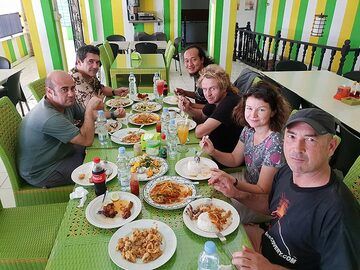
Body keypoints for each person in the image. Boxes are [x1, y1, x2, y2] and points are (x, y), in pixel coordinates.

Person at [212, 108, 360, 269]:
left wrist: (268, 268)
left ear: (331, 147)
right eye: (291, 136)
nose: (297, 148)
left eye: (310, 140)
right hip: (263, 246)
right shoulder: (287, 171)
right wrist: (236, 193)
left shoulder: (339, 214)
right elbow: (271, 207)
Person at [17, 70, 103, 188]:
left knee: (100, 150)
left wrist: (113, 114)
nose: (71, 94)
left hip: (60, 153)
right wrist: (89, 109)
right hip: (44, 171)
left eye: (73, 88)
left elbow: (88, 117)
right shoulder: (49, 117)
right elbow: (87, 140)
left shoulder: (64, 102)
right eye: (64, 89)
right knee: (100, 169)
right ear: (49, 92)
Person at [204, 81, 291, 196]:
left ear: (273, 112)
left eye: (261, 110)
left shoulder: (275, 144)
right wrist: (213, 152)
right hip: (246, 181)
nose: (253, 115)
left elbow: (263, 190)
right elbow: (234, 159)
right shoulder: (249, 130)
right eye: (249, 108)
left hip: (262, 198)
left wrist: (233, 182)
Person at [179, 64, 241, 155]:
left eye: (212, 88)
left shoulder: (230, 102)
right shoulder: (216, 98)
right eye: (204, 89)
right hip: (211, 147)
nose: (208, 94)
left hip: (222, 155)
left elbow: (199, 132)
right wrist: (188, 109)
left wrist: (203, 126)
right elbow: (202, 116)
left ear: (223, 87)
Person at [70, 44, 127, 119]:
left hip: (96, 117)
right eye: (90, 61)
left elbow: (100, 88)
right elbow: (94, 110)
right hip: (82, 124)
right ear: (79, 62)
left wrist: (115, 91)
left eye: (97, 62)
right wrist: (113, 114)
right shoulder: (76, 78)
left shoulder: (88, 72)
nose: (95, 66)